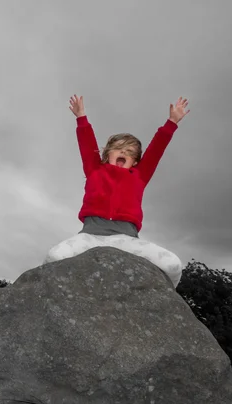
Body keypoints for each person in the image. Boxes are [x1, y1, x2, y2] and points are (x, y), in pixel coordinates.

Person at [44, 95, 190, 287]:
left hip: (126, 240)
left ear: (136, 161)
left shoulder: (140, 175)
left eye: (130, 152)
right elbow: (87, 145)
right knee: (54, 256)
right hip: (90, 236)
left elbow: (157, 148)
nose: (124, 153)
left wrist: (172, 122)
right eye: (119, 149)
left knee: (173, 265)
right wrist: (81, 117)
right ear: (107, 155)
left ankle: (167, 303)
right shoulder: (94, 169)